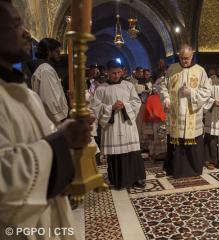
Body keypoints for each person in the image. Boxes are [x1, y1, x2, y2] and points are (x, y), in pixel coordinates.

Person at [0, 1, 93, 239]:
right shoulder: (42, 73)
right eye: (16, 23)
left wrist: (63, 133)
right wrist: (63, 138)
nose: (27, 32)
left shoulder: (23, 92)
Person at [92, 60, 146, 188]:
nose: (116, 75)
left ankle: (137, 178)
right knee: (115, 154)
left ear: (122, 71)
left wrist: (124, 106)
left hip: (127, 124)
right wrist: (111, 107)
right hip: (112, 126)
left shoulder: (128, 86)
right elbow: (95, 107)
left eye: (118, 72)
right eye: (113, 73)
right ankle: (118, 180)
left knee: (132, 152)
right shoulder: (101, 89)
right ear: (107, 72)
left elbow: (136, 102)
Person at [160, 44, 211, 178]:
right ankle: (175, 168)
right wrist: (165, 98)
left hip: (192, 115)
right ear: (179, 56)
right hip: (176, 115)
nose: (184, 61)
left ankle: (193, 169)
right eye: (182, 58)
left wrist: (192, 92)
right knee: (175, 143)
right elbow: (163, 86)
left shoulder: (200, 71)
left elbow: (207, 92)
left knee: (192, 144)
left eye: (187, 58)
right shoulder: (172, 69)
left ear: (192, 56)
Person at [31, 38, 69, 125]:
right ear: (48, 52)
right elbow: (50, 101)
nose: (59, 54)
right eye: (57, 51)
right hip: (54, 122)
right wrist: (61, 123)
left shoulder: (45, 68)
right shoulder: (46, 70)